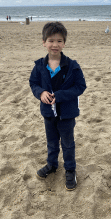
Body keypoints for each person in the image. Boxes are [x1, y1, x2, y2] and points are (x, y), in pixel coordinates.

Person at [29, 22, 86, 190]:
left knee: (68, 143)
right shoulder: (39, 65)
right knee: (52, 142)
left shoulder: (72, 66)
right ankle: (52, 165)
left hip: (67, 114)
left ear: (64, 43)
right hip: (48, 113)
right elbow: (33, 83)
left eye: (59, 41)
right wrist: (40, 92)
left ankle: (70, 169)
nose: (55, 45)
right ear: (44, 42)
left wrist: (60, 96)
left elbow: (80, 87)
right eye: (51, 40)